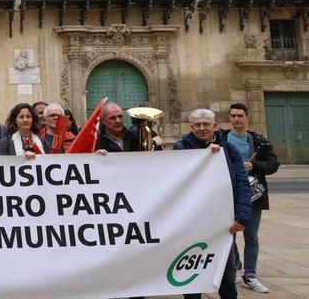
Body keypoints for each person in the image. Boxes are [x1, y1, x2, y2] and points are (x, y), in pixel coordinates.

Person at [173, 108, 251, 299]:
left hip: (224, 222)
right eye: (197, 125)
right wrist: (206, 156)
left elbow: (241, 183)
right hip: (193, 222)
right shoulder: (180, 148)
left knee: (226, 269)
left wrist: (242, 216)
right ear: (191, 128)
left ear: (215, 126)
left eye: (206, 124)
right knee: (191, 267)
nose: (202, 128)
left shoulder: (229, 150)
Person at [222, 103, 279, 294]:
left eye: (240, 116)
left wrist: (254, 166)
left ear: (247, 117)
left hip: (254, 195)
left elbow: (273, 164)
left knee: (251, 237)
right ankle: (236, 266)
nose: (236, 119)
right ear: (229, 118)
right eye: (233, 116)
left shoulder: (259, 141)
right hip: (228, 195)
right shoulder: (221, 139)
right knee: (229, 235)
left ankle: (250, 275)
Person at [94, 102, 163, 154]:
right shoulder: (96, 143)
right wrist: (98, 158)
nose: (118, 121)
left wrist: (153, 144)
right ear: (103, 121)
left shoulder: (135, 136)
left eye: (120, 116)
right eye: (112, 118)